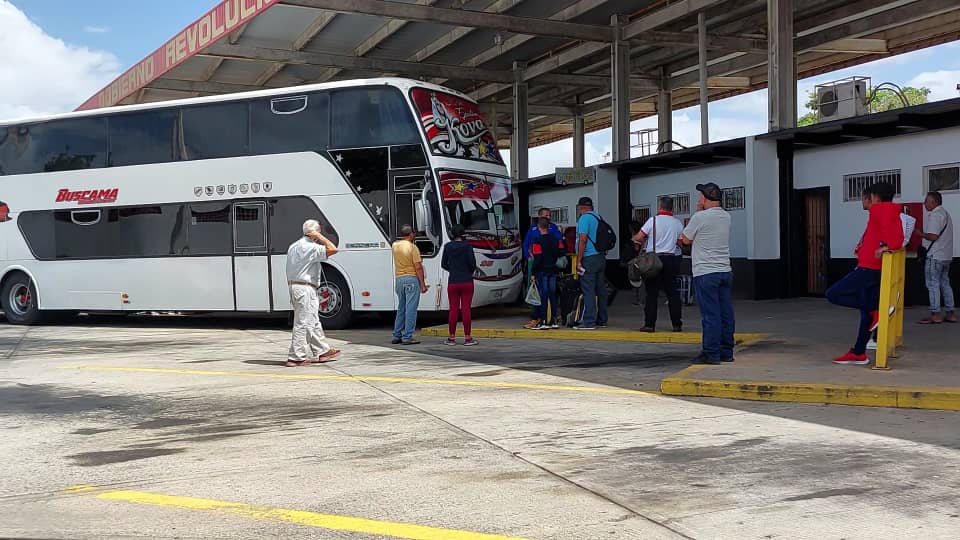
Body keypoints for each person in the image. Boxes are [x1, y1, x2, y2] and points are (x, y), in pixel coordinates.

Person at [826, 183, 904, 365]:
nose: (862, 200)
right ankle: (858, 352)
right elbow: (898, 238)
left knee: (833, 294)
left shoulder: (879, 210)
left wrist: (885, 247)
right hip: (873, 268)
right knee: (866, 315)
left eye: (863, 197)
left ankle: (876, 309)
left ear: (874, 197)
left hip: (868, 269)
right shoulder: (891, 211)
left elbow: (893, 238)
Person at [681, 183, 734, 364]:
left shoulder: (700, 216)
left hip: (705, 272)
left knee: (710, 314)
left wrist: (697, 212)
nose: (698, 200)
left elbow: (686, 239)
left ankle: (711, 353)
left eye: (700, 197)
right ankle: (727, 351)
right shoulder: (726, 216)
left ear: (705, 198)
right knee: (725, 312)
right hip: (725, 270)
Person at [285, 219, 340, 367]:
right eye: (319, 231)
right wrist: (320, 237)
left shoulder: (294, 246)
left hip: (296, 287)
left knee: (312, 320)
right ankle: (296, 357)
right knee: (304, 322)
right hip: (305, 287)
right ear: (314, 232)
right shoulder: (309, 247)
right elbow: (333, 249)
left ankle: (322, 350)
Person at [634, 198, 685, 332]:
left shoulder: (653, 221)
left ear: (660, 206)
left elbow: (639, 237)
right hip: (671, 260)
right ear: (671, 208)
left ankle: (649, 325)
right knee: (672, 293)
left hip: (653, 260)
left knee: (651, 294)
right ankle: (677, 324)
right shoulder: (677, 223)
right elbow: (680, 243)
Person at [522, 208, 562, 329]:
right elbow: (526, 244)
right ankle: (539, 317)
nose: (548, 217)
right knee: (537, 291)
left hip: (541, 266)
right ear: (539, 216)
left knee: (544, 293)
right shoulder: (532, 229)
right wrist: (528, 256)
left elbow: (560, 244)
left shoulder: (553, 229)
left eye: (549, 215)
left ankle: (544, 319)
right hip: (543, 264)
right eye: (546, 215)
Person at [919, 191, 955, 324]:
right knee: (945, 283)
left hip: (935, 256)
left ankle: (935, 314)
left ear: (934, 202)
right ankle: (950, 313)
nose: (924, 203)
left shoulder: (935, 215)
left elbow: (933, 236)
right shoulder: (946, 214)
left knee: (932, 284)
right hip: (946, 256)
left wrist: (920, 234)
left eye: (926, 201)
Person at [575, 196, 609, 330]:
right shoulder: (598, 217)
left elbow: (582, 240)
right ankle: (602, 319)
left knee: (588, 289)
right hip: (601, 257)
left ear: (581, 207)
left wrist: (579, 260)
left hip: (589, 258)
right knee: (601, 290)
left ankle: (588, 321)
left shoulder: (584, 218)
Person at [392, 225, 430, 345]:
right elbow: (418, 267)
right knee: (411, 310)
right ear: (411, 234)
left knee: (401, 308)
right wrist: (423, 285)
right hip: (411, 280)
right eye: (414, 233)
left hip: (399, 280)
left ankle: (397, 335)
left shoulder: (395, 245)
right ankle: (408, 337)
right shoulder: (413, 248)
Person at [441, 224, 478, 345]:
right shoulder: (468, 247)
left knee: (453, 309)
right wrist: (467, 271)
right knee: (466, 309)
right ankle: (468, 338)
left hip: (453, 281)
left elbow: (444, 264)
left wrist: (453, 269)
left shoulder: (447, 247)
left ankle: (451, 338)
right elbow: (473, 264)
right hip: (467, 281)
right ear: (463, 234)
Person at [530, 217, 565, 329]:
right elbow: (561, 252)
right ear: (549, 226)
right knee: (552, 295)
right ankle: (554, 320)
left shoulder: (537, 240)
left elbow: (537, 258)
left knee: (544, 295)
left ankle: (544, 321)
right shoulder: (556, 240)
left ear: (539, 227)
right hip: (553, 270)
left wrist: (533, 272)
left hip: (542, 270)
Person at [621, 221, 644, 306]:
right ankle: (639, 299)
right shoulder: (640, 236)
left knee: (636, 280)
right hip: (638, 260)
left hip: (635, 261)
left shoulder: (637, 237)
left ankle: (639, 300)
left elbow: (637, 248)